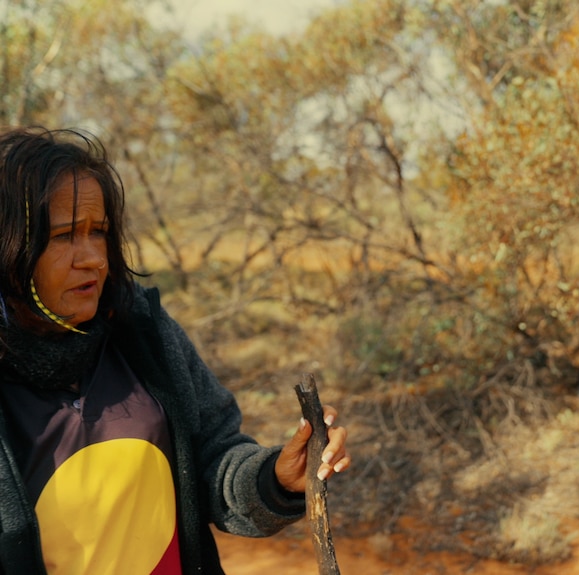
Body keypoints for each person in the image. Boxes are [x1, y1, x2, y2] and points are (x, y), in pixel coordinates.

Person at [0, 127, 350, 573]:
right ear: (8, 246)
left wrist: (275, 480)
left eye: (100, 232)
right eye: (65, 236)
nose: (93, 258)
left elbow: (213, 463)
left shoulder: (143, 334)